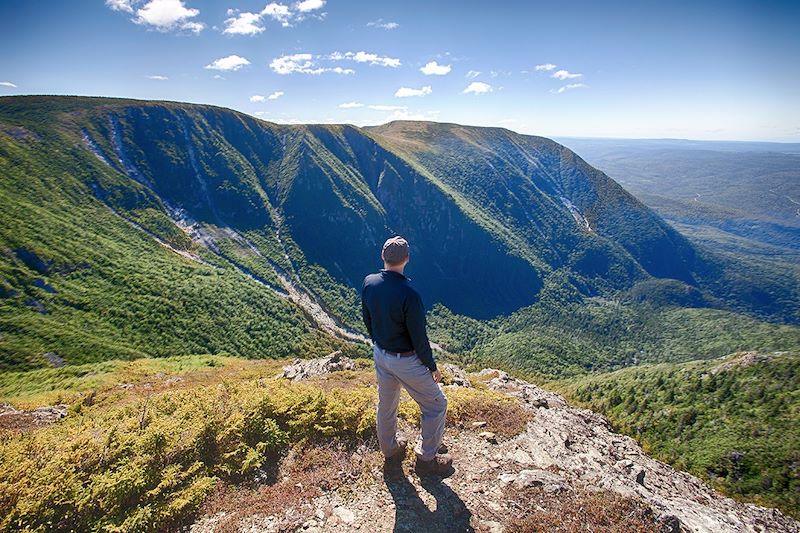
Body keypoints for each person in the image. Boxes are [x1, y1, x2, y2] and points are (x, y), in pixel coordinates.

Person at [361, 236, 452, 475]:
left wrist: (378, 342)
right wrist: (432, 366)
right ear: (407, 259)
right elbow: (419, 338)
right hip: (406, 360)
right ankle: (426, 461)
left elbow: (367, 318)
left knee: (387, 404)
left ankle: (390, 450)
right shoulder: (409, 294)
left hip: (381, 354)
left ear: (383, 257)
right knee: (436, 405)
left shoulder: (369, 282)